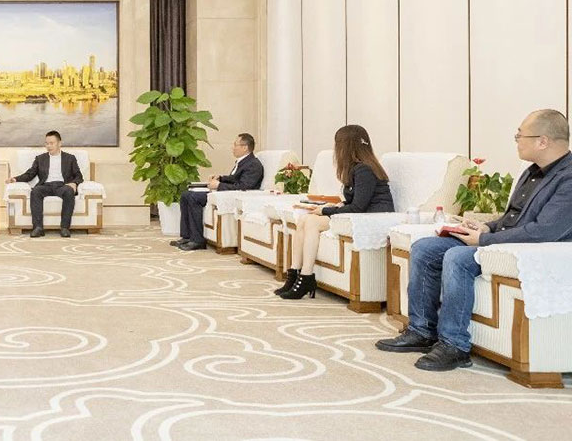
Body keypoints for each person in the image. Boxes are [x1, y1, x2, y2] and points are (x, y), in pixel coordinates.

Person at [376, 109, 572, 371]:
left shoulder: (568, 178)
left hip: (528, 250)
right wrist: (487, 226)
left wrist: (484, 239)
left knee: (457, 257)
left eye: (520, 135)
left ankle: (454, 345)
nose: (516, 140)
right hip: (502, 240)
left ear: (543, 141)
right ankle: (421, 331)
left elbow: (543, 232)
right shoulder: (531, 172)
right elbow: (512, 219)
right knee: (424, 248)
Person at [279, 124, 394, 300]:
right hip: (362, 213)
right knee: (303, 219)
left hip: (372, 217)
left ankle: (306, 276)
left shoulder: (364, 169)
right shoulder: (357, 168)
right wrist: (340, 205)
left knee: (311, 221)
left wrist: (326, 210)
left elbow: (359, 207)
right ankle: (294, 273)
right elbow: (357, 201)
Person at [175, 133, 265, 251]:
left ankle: (198, 240)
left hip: (236, 196)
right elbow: (235, 179)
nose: (232, 147)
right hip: (227, 193)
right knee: (186, 195)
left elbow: (244, 186)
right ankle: (187, 236)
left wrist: (219, 185)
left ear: (245, 147)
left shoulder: (253, 165)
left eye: (235, 145)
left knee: (193, 197)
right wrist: (221, 178)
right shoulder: (244, 161)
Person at [8, 130, 84, 238]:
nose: (48, 146)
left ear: (59, 143)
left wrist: (74, 183)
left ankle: (65, 228)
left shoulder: (70, 158)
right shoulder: (40, 158)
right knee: (35, 191)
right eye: (47, 143)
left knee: (69, 191)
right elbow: (30, 174)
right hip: (46, 185)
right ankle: (38, 228)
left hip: (62, 185)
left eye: (51, 143)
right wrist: (15, 179)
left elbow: (79, 176)